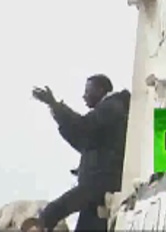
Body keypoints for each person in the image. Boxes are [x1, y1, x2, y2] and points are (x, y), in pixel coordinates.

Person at [32, 75, 130, 232]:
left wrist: (55, 105)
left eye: (87, 91)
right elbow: (82, 140)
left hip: (99, 184)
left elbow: (83, 127)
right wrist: (56, 110)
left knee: (55, 210)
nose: (84, 96)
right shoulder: (111, 111)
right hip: (99, 191)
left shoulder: (111, 107)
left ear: (100, 90)